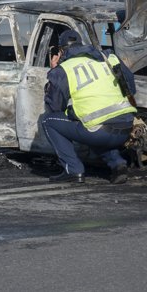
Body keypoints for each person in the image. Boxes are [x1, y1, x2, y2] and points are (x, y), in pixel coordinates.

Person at [41, 29, 137, 184]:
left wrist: (53, 71)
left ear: (60, 51)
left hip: (99, 132)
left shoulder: (63, 70)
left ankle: (73, 170)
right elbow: (130, 88)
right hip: (126, 127)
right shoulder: (108, 57)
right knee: (90, 121)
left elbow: (54, 107)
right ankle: (118, 165)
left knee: (49, 121)